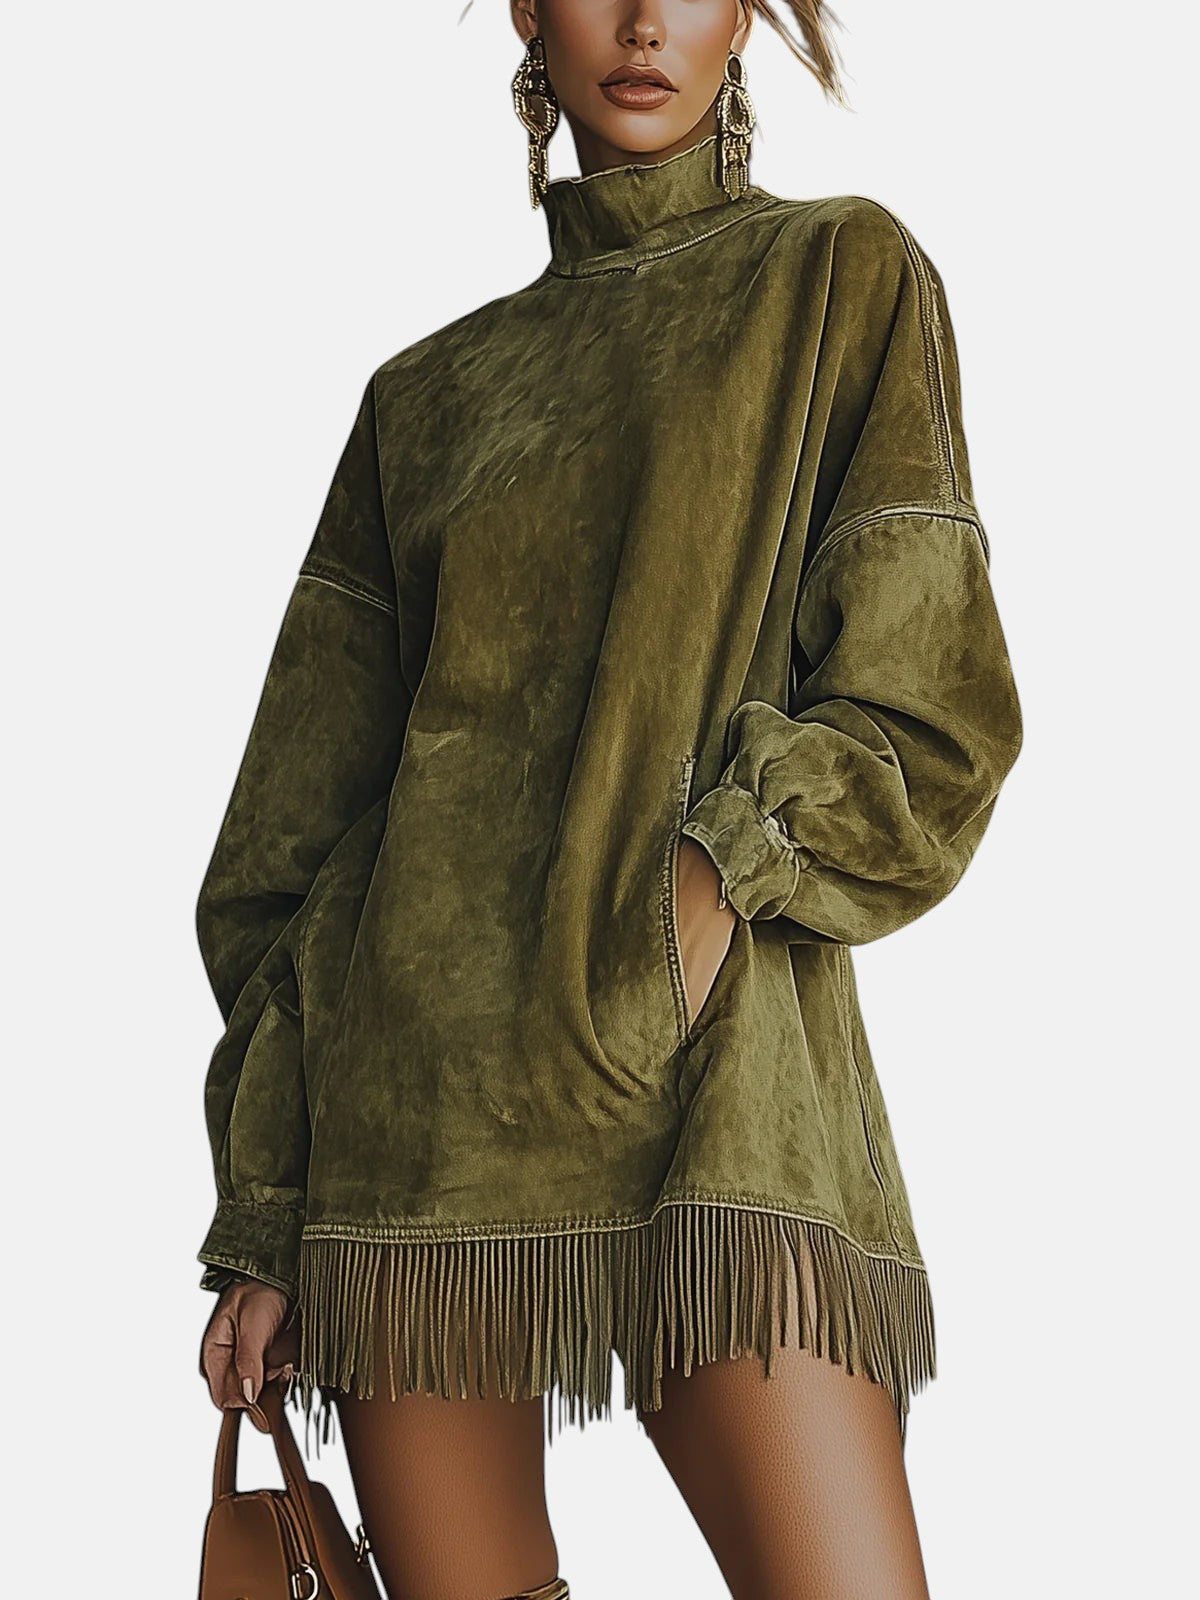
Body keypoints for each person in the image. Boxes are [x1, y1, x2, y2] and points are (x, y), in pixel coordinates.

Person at [196, 2, 1023, 1596]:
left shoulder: (841, 275)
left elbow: (928, 707)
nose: (644, 21)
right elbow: (293, 851)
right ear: (526, 7)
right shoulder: (424, 398)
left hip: (711, 1097)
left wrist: (704, 895)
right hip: (414, 1136)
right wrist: (270, 1210)